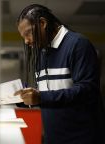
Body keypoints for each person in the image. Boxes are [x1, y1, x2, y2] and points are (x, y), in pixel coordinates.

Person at [14, 4, 105, 144]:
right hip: (53, 138)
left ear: (43, 23)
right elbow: (50, 96)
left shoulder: (78, 44)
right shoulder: (42, 52)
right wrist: (24, 99)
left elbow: (87, 90)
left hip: (81, 138)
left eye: (28, 33)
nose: (26, 41)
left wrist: (41, 97)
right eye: (23, 37)